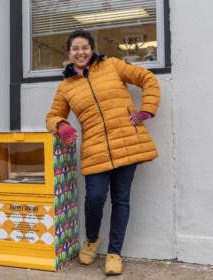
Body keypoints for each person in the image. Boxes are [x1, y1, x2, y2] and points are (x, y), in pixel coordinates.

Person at [45, 29, 160, 275]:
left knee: (121, 199)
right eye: (75, 48)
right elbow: (53, 116)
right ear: (69, 53)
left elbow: (147, 78)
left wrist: (146, 110)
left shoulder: (112, 66)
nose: (80, 52)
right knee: (94, 198)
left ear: (92, 49)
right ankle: (91, 241)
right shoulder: (66, 87)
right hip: (95, 149)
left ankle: (114, 253)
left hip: (127, 142)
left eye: (85, 47)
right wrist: (62, 126)